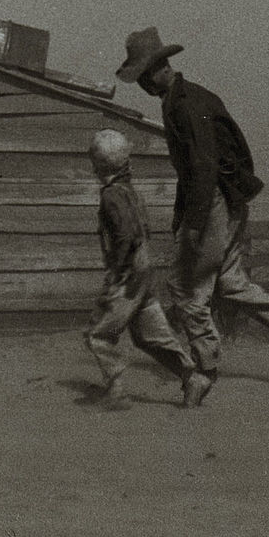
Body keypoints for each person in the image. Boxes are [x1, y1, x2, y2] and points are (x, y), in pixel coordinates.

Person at [114, 27, 269, 406]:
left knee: (185, 288)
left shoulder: (184, 105)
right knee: (230, 284)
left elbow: (203, 167)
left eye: (144, 75)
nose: (143, 85)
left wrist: (193, 226)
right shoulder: (188, 97)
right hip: (223, 201)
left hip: (213, 202)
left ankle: (205, 371)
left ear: (160, 68)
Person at [83, 128, 196, 403]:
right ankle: (193, 378)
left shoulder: (111, 196)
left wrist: (116, 275)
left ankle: (116, 389)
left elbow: (124, 236)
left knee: (98, 334)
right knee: (150, 335)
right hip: (145, 272)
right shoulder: (131, 192)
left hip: (129, 273)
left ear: (99, 164)